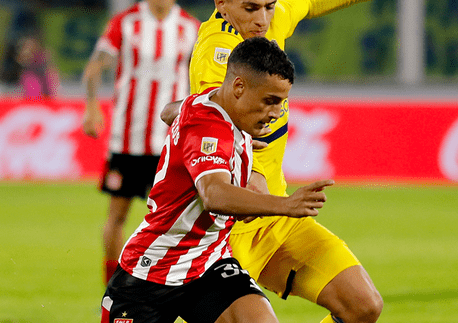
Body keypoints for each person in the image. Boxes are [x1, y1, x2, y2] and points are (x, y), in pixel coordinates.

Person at [162, 0, 440, 321]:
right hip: (229, 228)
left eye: (269, 6)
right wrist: (252, 175)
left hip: (277, 216)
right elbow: (215, 117)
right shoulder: (218, 49)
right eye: (250, 8)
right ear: (222, 3)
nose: (262, 19)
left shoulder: (269, 23)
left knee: (363, 306)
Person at [101, 36, 335, 323]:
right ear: (238, 87)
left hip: (208, 263)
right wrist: (284, 205)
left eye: (281, 102)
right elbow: (214, 195)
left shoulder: (219, 103)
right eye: (269, 101)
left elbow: (168, 111)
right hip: (152, 273)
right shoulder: (207, 127)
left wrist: (233, 146)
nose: (275, 113)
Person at [80, 0, 200, 284]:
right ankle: (113, 283)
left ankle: (159, 280)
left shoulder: (192, 29)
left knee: (169, 218)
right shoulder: (126, 23)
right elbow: (95, 67)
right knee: (117, 214)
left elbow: (204, 79)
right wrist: (92, 107)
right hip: (127, 137)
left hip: (170, 143)